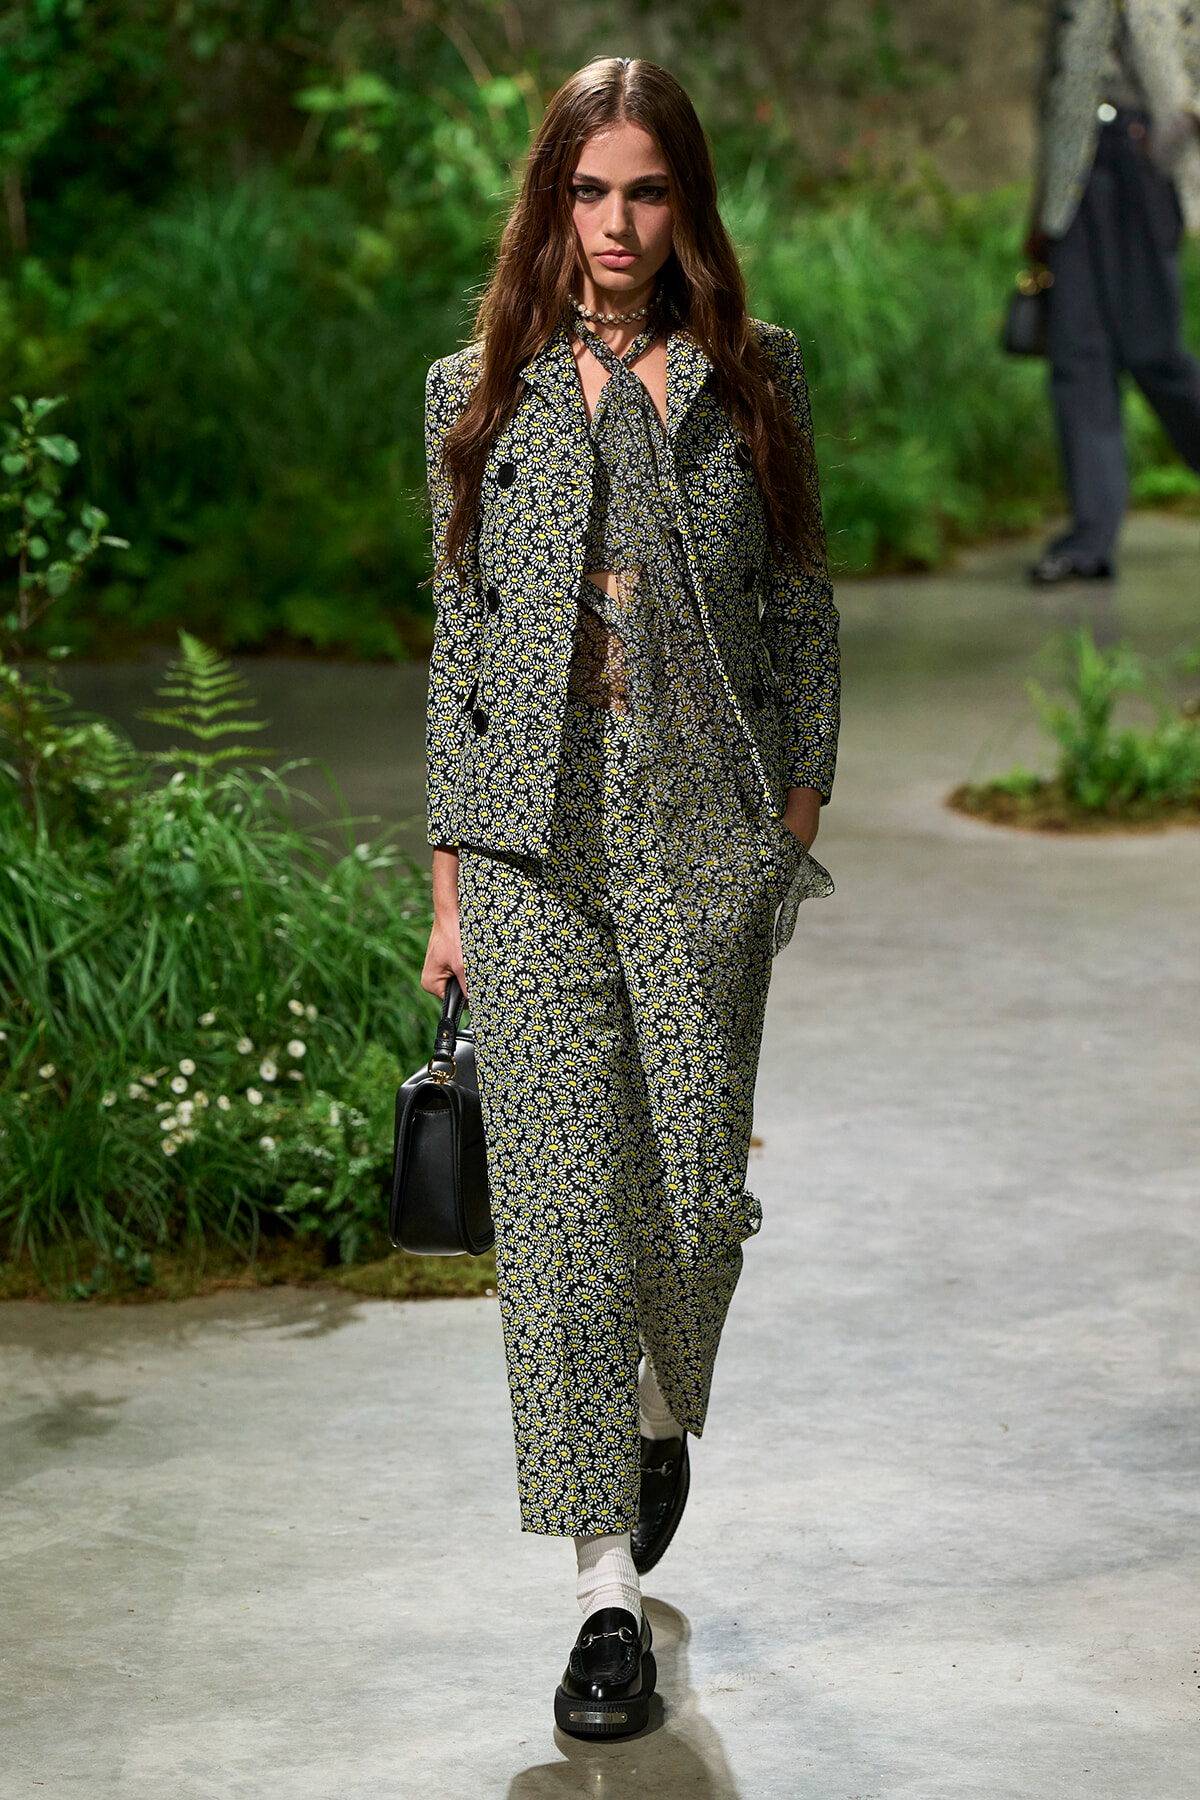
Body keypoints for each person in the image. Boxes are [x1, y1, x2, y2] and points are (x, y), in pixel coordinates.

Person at [419, 56, 839, 1739]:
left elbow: (803, 619)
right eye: (589, 193)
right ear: (552, 201)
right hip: (528, 844)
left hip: (700, 833)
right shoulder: (477, 391)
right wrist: (448, 886)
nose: (616, 226)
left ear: (686, 204)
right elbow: (456, 649)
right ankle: (603, 1599)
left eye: (646, 191)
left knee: (692, 1201)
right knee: (567, 1229)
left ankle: (656, 1411)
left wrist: (786, 820)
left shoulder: (752, 383)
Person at [1026, 0, 1200, 583]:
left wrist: (1187, 120)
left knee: (1153, 351)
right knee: (1077, 357)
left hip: (1147, 159)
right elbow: (1057, 81)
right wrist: (1042, 210)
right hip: (1077, 169)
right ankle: (1090, 540)